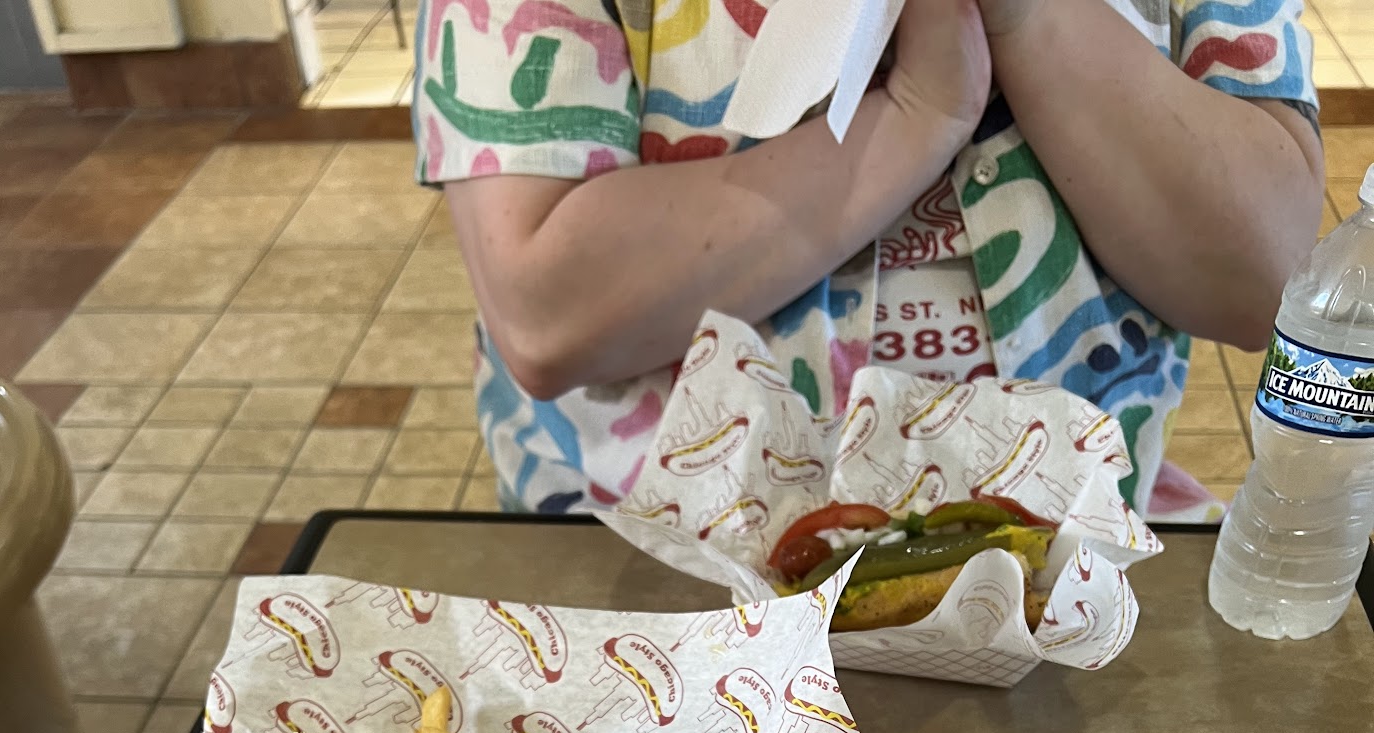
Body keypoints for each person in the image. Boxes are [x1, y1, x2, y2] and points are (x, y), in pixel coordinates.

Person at [412, 0, 1324, 521]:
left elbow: (1262, 282)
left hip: (1077, 567)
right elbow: (548, 311)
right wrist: (919, 113)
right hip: (655, 592)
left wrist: (1026, 18)